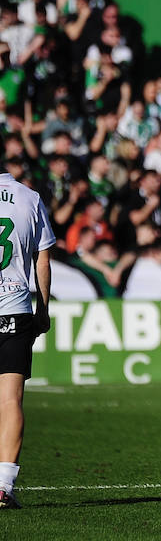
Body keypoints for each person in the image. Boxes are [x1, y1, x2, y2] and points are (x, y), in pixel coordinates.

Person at [0, 169, 56, 508]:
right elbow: (43, 258)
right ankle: (4, 486)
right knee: (10, 401)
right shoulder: (29, 198)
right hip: (16, 310)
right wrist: (44, 308)